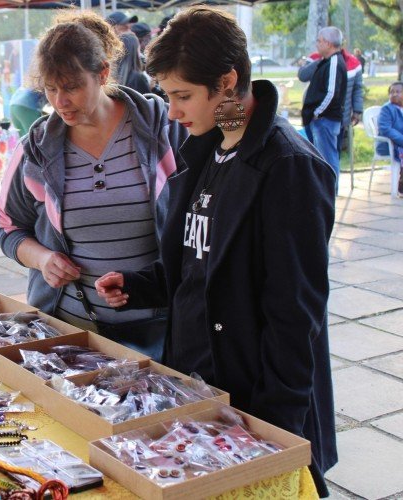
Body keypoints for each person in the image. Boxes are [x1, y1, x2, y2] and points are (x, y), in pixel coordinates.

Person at [94, 7, 336, 495]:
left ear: (227, 82)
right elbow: (197, 263)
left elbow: (296, 312)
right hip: (194, 384)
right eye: (168, 95)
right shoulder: (204, 147)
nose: (174, 111)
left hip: (252, 399)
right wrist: (140, 285)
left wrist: (276, 429)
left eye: (183, 96)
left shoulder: (288, 168)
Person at [0, 10, 187, 359]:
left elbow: (227, 122)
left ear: (102, 74)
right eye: (50, 89)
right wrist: (42, 258)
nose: (60, 102)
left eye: (71, 87)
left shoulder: (163, 128)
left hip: (159, 329)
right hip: (71, 333)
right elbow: (7, 226)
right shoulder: (35, 150)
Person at [300, 27, 347, 187]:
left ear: (328, 43)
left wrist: (317, 112)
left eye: (319, 41)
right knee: (321, 158)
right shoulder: (325, 61)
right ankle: (323, 191)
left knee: (328, 159)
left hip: (325, 120)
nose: (317, 45)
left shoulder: (334, 62)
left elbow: (332, 92)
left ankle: (329, 193)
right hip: (319, 119)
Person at [298, 46, 363, 152]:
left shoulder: (353, 62)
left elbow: (357, 88)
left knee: (332, 153)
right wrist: (322, 60)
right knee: (312, 151)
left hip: (340, 115)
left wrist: (357, 110)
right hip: (313, 115)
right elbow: (303, 76)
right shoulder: (315, 58)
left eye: (321, 41)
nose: (319, 43)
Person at [375, 81, 403, 197]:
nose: (394, 94)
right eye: (392, 92)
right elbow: (386, 129)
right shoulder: (387, 109)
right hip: (388, 145)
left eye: (398, 92)